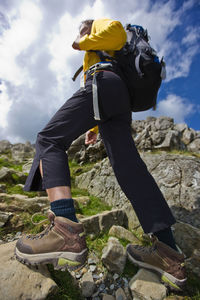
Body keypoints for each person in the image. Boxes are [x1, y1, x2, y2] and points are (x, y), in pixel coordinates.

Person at [15, 18, 186, 289]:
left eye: (83, 27)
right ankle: (169, 254)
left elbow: (116, 32)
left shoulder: (99, 29)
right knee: (130, 170)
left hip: (104, 83)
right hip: (117, 101)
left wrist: (83, 38)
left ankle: (64, 230)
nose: (82, 31)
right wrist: (94, 127)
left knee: (48, 139)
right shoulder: (107, 53)